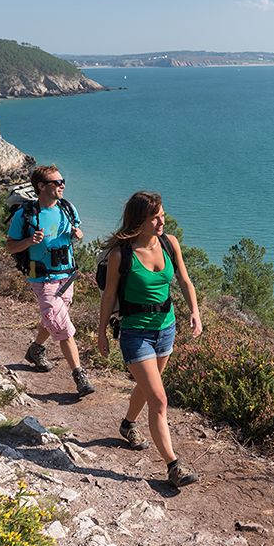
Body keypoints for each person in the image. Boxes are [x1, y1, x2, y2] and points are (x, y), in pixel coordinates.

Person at [97, 191, 202, 488]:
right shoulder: (122, 255)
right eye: (154, 217)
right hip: (135, 334)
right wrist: (102, 332)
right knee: (159, 399)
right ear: (138, 220)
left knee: (146, 389)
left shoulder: (170, 243)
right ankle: (174, 466)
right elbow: (108, 297)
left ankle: (128, 425)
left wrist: (194, 312)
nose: (161, 221)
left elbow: (184, 280)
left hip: (166, 329)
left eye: (162, 215)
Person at [5, 164, 95, 397]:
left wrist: (78, 235)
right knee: (63, 327)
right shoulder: (25, 215)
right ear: (42, 186)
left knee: (53, 317)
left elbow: (76, 231)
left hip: (67, 275)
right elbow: (10, 246)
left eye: (62, 181)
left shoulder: (67, 208)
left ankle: (36, 349)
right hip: (42, 278)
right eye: (57, 182)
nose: (62, 185)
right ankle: (79, 375)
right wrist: (29, 242)